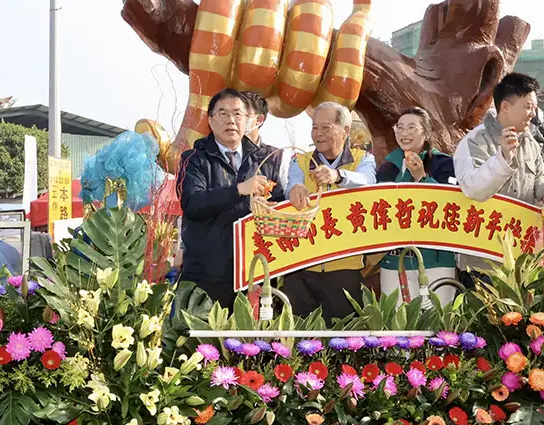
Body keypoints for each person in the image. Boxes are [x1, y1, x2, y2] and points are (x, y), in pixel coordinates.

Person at [177, 89, 285, 308]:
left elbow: (281, 203)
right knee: (205, 340)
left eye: (237, 114)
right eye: (223, 114)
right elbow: (193, 204)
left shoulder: (266, 159)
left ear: (248, 121)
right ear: (210, 120)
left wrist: (271, 208)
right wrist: (238, 190)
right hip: (207, 273)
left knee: (252, 340)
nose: (231, 120)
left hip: (254, 272)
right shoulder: (194, 159)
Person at [454, 72, 544, 284]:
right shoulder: (474, 141)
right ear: (505, 107)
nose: (533, 113)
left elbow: (538, 175)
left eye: (534, 107)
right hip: (483, 262)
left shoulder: (529, 141)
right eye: (528, 107)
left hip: (521, 257)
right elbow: (474, 189)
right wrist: (503, 157)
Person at [283, 102, 377, 323]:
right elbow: (291, 185)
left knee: (343, 339)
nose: (319, 134)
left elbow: (368, 183)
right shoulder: (300, 160)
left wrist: (338, 176)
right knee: (300, 335)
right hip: (301, 263)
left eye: (326, 127)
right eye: (315, 128)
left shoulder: (363, 159)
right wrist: (295, 189)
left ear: (345, 131)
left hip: (344, 263)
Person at [376, 107, 457, 305]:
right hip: (394, 262)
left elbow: (449, 207)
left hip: (435, 259)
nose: (404, 133)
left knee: (437, 323)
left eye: (412, 127)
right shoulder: (387, 168)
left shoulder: (444, 163)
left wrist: (421, 177)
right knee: (398, 325)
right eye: (400, 127)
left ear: (426, 133)